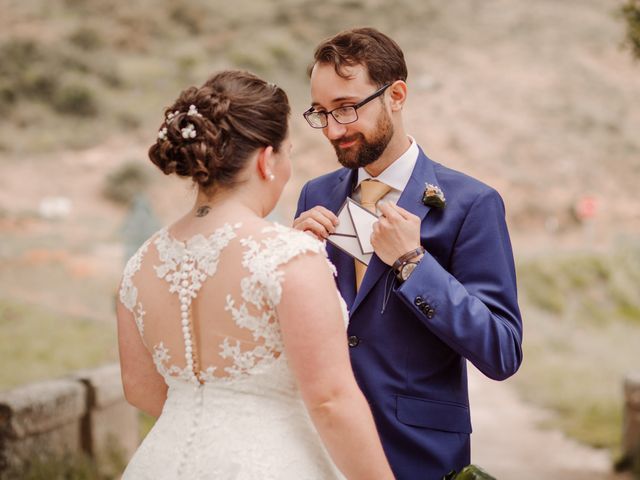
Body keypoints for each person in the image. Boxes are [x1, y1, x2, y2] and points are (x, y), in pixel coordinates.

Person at [116, 70, 394, 479]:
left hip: (160, 461)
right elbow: (331, 400)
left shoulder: (142, 262)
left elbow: (139, 387)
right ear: (267, 160)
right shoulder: (289, 255)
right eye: (287, 153)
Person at [294, 27, 523, 479]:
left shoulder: (472, 204)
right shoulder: (314, 196)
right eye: (321, 113)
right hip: (318, 447)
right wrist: (289, 257)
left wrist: (413, 265)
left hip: (416, 454)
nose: (334, 129)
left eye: (346, 108)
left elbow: (501, 351)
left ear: (396, 95)